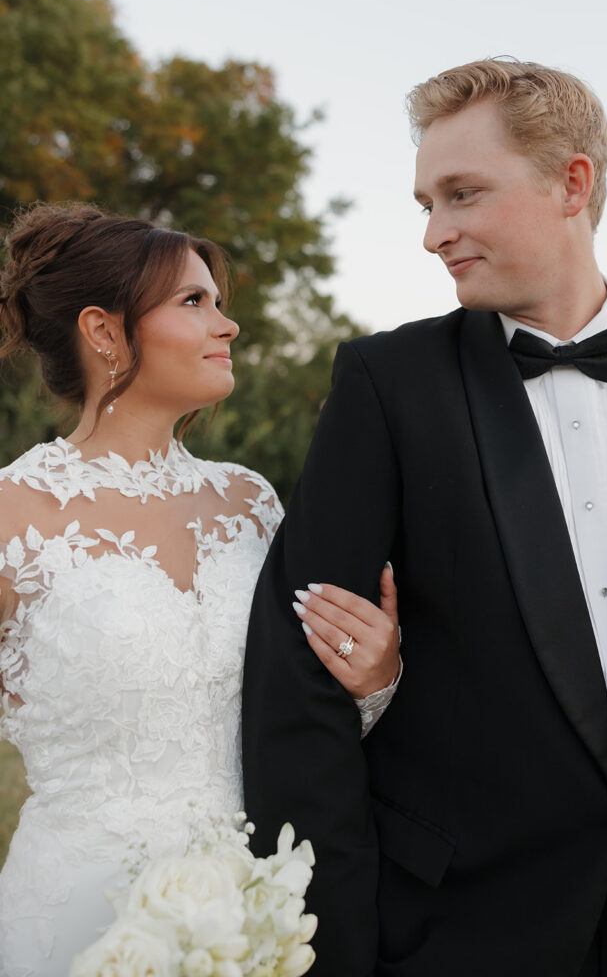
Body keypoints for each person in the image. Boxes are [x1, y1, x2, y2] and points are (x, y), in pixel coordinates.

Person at [242, 59, 607, 977]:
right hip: (458, 930)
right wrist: (334, 941)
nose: (432, 234)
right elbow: (299, 688)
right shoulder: (386, 387)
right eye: (425, 202)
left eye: (461, 195)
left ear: (572, 182)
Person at [0, 202, 401, 975]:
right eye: (194, 302)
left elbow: (305, 707)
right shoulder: (13, 514)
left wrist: (376, 673)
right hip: (76, 920)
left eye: (219, 302)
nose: (228, 326)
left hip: (255, 918)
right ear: (104, 331)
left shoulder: (251, 503)